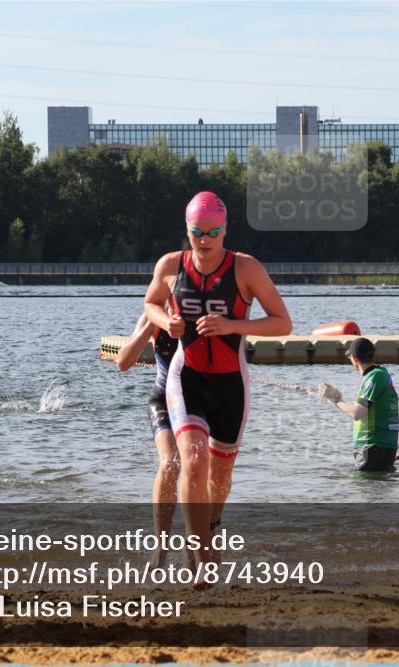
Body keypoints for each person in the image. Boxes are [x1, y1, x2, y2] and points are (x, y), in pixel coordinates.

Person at [144, 191, 292, 567]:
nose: (206, 241)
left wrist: (231, 325)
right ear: (187, 230)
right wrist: (168, 322)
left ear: (226, 231)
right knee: (191, 460)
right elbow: (149, 304)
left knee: (220, 476)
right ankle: (199, 552)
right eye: (197, 233)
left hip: (230, 384)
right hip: (187, 376)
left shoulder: (246, 269)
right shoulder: (171, 265)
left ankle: (210, 527)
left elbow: (282, 323)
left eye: (213, 232)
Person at [115, 311, 181, 568]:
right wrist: (152, 324)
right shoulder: (154, 310)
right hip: (164, 398)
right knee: (170, 463)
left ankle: (197, 545)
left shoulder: (202, 303)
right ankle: (161, 550)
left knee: (199, 469)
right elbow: (123, 362)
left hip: (200, 400)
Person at [319, 337, 399, 472]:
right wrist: (337, 399)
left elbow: (356, 413)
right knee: (377, 489)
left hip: (372, 448)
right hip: (382, 447)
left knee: (360, 489)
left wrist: (336, 400)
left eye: (350, 357)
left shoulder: (374, 377)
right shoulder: (381, 374)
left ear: (355, 359)